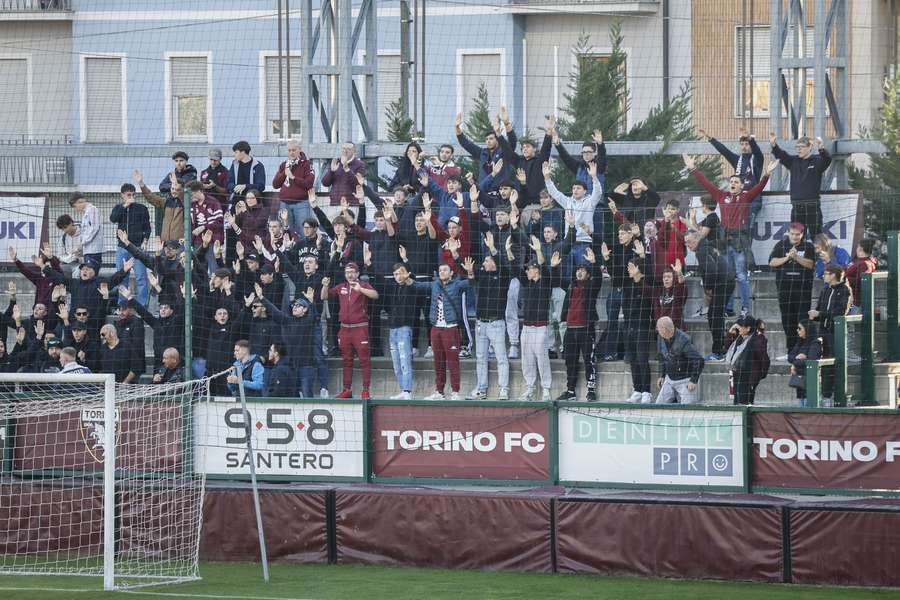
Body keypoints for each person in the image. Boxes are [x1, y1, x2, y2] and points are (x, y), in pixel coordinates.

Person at [685, 154, 777, 316]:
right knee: (726, 277)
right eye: (731, 182)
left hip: (740, 241)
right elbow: (707, 184)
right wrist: (693, 169)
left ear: (742, 186)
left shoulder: (746, 197)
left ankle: (745, 307)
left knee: (741, 276)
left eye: (736, 182)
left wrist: (767, 174)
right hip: (724, 241)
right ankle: (728, 308)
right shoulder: (722, 196)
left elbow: (759, 188)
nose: (733, 184)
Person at [413, 261, 472, 400]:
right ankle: (439, 391)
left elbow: (471, 282)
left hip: (451, 328)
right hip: (436, 328)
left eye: (445, 270)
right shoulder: (434, 285)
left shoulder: (457, 284)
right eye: (440, 270)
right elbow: (417, 285)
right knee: (438, 361)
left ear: (451, 273)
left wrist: (470, 272)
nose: (442, 272)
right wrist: (407, 276)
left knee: (453, 362)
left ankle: (455, 391)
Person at [321, 262, 378, 399]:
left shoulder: (363, 285)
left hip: (360, 328)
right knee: (346, 360)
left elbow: (375, 295)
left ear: (358, 274)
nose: (350, 275)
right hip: (345, 329)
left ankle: (365, 390)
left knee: (365, 360)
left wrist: (361, 290)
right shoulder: (341, 287)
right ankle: (347, 390)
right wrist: (325, 285)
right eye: (347, 272)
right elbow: (324, 296)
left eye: (352, 272)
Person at [464, 244, 513, 400]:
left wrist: (493, 248)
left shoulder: (503, 276)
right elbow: (471, 278)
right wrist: (467, 268)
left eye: (486, 261)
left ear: (494, 262)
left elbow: (503, 265)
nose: (483, 264)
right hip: (480, 323)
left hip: (496, 323)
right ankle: (481, 388)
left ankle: (504, 389)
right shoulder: (483, 275)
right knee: (480, 358)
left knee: (501, 358)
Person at [558, 247, 603, 401]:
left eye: (583, 270)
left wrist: (594, 263)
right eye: (578, 270)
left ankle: (590, 390)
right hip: (570, 329)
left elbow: (598, 279)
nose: (579, 272)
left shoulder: (591, 287)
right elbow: (557, 279)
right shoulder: (571, 286)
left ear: (588, 274)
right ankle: (570, 391)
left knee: (589, 360)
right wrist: (554, 266)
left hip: (586, 329)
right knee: (570, 361)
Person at [517, 245, 561, 402]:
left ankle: (546, 388)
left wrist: (538, 251)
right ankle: (530, 387)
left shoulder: (545, 283)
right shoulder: (526, 283)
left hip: (541, 327)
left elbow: (546, 270)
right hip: (527, 327)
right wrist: (508, 252)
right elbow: (514, 269)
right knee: (526, 358)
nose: (527, 271)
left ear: (536, 270)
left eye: (530, 268)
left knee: (541, 358)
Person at [258, 284, 318, 398]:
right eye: (294, 305)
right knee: (291, 396)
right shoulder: (287, 320)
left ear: (305, 310)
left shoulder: (308, 321)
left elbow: (313, 315)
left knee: (307, 396)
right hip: (290, 367)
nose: (294, 307)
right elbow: (275, 312)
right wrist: (262, 298)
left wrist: (311, 302)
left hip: (306, 366)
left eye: (299, 305)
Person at [769, 134, 832, 237]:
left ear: (809, 147)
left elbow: (827, 160)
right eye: (797, 147)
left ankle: (819, 253)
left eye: (801, 147)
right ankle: (798, 253)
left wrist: (821, 149)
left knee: (817, 236)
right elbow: (781, 155)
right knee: (796, 235)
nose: (798, 150)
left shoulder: (816, 161)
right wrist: (773, 145)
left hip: (812, 205)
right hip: (797, 206)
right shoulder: (793, 161)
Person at [686, 232, 735, 362]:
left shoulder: (702, 251)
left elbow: (711, 270)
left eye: (690, 242)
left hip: (722, 283)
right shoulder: (707, 247)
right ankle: (721, 349)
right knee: (714, 315)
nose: (688, 245)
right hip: (726, 281)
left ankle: (719, 351)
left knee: (714, 316)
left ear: (697, 239)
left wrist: (708, 287)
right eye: (686, 242)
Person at [542, 160, 603, 265]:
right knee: (568, 273)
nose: (575, 190)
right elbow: (554, 193)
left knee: (583, 271)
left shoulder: (590, 202)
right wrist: (547, 177)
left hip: (584, 243)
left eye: (578, 188)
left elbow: (598, 192)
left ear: (585, 191)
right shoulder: (568, 202)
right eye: (574, 188)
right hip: (568, 243)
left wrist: (594, 177)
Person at [768, 222, 816, 354]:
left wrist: (796, 257)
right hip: (784, 289)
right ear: (788, 233)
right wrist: (788, 257)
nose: (794, 237)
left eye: (797, 234)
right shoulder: (781, 245)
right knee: (787, 320)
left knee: (802, 320)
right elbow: (772, 262)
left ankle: (803, 350)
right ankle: (791, 350)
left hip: (802, 290)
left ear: (802, 235)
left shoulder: (808, 246)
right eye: (792, 234)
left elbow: (810, 264)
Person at [596, 224, 641, 361]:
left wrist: (638, 236)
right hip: (614, 289)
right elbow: (613, 272)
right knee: (611, 323)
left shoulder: (635, 248)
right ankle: (611, 353)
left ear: (630, 234)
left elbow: (629, 271)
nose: (619, 236)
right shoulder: (616, 249)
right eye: (619, 234)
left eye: (622, 233)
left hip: (628, 290)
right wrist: (608, 259)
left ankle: (629, 353)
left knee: (629, 323)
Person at [809, 265, 851, 400]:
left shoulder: (844, 290)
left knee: (833, 364)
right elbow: (819, 309)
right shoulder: (825, 290)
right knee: (820, 361)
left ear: (833, 275)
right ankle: (822, 394)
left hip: (835, 333)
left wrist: (820, 313)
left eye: (826, 273)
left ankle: (831, 395)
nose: (823, 276)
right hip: (822, 331)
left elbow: (840, 312)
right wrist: (814, 315)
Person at [386, 262, 427, 400]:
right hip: (392, 330)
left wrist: (406, 261)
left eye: (401, 272)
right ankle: (403, 389)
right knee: (396, 364)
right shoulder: (393, 288)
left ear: (407, 273)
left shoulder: (411, 287)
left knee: (405, 362)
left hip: (404, 329)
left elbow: (413, 281)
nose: (398, 276)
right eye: (396, 274)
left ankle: (408, 391)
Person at [110, 183, 152, 306]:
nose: (131, 197)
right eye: (128, 195)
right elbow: (113, 219)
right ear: (122, 195)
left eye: (133, 194)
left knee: (141, 278)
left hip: (137, 248)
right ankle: (122, 305)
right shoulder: (119, 208)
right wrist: (125, 206)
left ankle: (142, 305)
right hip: (122, 248)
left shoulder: (141, 208)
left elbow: (147, 227)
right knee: (122, 277)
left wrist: (145, 241)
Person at [620, 256, 654, 403]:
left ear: (638, 268)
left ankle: (647, 391)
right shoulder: (628, 286)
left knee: (642, 359)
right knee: (633, 360)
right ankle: (637, 389)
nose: (628, 269)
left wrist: (639, 278)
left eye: (631, 266)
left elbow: (648, 293)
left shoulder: (646, 284)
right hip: (629, 327)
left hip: (643, 327)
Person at [499, 118, 553, 205]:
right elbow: (508, 151)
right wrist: (499, 134)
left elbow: (546, 148)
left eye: (527, 146)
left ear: (534, 149)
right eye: (523, 147)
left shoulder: (539, 161)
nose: (524, 149)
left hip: (536, 202)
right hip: (520, 202)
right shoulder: (519, 161)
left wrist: (549, 131)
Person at [455, 106, 515, 183]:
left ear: (498, 140)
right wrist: (457, 128)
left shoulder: (504, 152)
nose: (488, 141)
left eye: (491, 139)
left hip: (500, 191)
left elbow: (512, 142)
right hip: (484, 191)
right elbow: (466, 144)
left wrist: (507, 124)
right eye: (486, 139)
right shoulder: (482, 153)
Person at [655, 316, 705, 404]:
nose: (657, 330)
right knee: (658, 405)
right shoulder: (660, 337)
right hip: (669, 379)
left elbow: (699, 360)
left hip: (684, 380)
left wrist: (693, 380)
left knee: (688, 409)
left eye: (658, 329)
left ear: (664, 329)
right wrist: (661, 375)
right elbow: (661, 357)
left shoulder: (684, 340)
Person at [725, 316, 770, 405]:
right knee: (736, 403)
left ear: (748, 328)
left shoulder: (757, 340)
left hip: (749, 379)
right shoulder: (739, 338)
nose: (739, 329)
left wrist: (758, 377)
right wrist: (730, 332)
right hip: (737, 376)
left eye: (741, 327)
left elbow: (764, 359)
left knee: (746, 404)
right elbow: (727, 347)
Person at [699, 127, 765, 190]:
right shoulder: (737, 159)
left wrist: (750, 139)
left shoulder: (757, 158)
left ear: (751, 145)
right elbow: (724, 151)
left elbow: (756, 150)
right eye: (742, 144)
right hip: (739, 195)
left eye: (746, 144)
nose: (744, 147)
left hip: (754, 197)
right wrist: (710, 139)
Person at [273, 139, 315, 232]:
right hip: (284, 203)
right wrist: (284, 173)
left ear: (299, 149)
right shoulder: (284, 165)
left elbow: (309, 183)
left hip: (301, 203)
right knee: (286, 231)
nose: (291, 153)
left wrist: (293, 177)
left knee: (305, 231)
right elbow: (275, 184)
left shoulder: (307, 164)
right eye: (289, 150)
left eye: (294, 150)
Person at [133, 168, 183, 244]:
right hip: (165, 243)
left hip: (179, 244)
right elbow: (151, 197)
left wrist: (175, 183)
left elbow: (183, 196)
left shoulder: (185, 202)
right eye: (172, 188)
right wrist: (141, 183)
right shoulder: (166, 201)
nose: (174, 191)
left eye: (177, 189)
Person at [788, 319, 822, 407]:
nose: (797, 330)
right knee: (800, 406)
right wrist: (797, 359)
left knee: (808, 408)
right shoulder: (800, 342)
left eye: (800, 328)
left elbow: (811, 361)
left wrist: (795, 362)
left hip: (810, 383)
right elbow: (790, 357)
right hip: (799, 383)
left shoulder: (815, 343)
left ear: (807, 329)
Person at [68, 193, 103, 267]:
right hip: (88, 250)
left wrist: (83, 243)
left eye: (74, 206)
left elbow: (94, 228)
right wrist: (80, 247)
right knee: (88, 276)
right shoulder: (86, 213)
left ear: (80, 201)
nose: (75, 209)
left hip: (94, 251)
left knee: (91, 275)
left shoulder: (92, 210)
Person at [227, 140, 266, 206]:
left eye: (236, 152)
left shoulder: (258, 166)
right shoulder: (234, 164)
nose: (234, 155)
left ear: (243, 152)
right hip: (236, 202)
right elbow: (229, 183)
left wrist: (245, 186)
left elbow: (261, 186)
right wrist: (236, 187)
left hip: (253, 203)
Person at [845, 239, 877, 311]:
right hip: (847, 297)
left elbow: (860, 283)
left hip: (854, 301)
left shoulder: (865, 264)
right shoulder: (857, 260)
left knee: (851, 321)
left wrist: (845, 279)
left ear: (860, 248)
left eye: (857, 246)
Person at [653, 262, 688, 331]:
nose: (666, 279)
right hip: (662, 329)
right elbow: (657, 311)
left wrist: (679, 273)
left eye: (669, 277)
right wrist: (658, 323)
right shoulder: (659, 292)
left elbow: (681, 284)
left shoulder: (678, 290)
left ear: (674, 278)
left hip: (676, 330)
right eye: (664, 277)